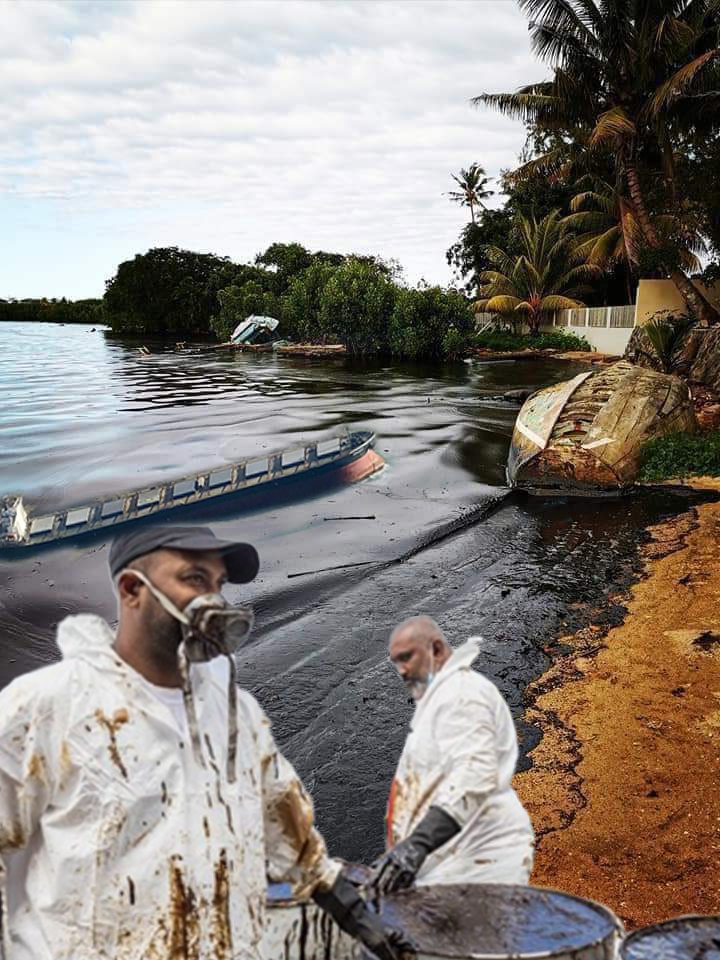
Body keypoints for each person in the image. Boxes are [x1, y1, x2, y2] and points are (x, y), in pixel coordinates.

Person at [0, 524, 414, 960]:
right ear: (130, 589)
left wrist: (347, 906)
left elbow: (281, 817)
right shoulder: (43, 709)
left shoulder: (235, 710)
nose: (214, 600)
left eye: (218, 585)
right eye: (194, 579)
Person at [368, 616, 534, 896]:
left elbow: (474, 775)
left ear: (436, 649)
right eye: (397, 662)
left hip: (479, 865)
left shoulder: (462, 695)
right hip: (457, 859)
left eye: (407, 657)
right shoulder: (445, 696)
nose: (403, 670)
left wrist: (415, 845)